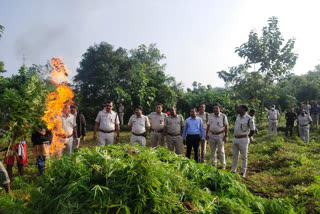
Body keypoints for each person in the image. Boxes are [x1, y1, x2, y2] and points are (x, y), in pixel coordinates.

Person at [232, 104, 255, 178]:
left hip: (243, 139)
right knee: (235, 155)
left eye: (239, 108)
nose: (237, 109)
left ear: (244, 109)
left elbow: (252, 130)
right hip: (235, 138)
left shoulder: (249, 118)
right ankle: (233, 170)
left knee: (244, 156)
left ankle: (243, 172)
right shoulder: (238, 116)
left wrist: (247, 137)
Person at [205, 104, 228, 169]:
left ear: (219, 109)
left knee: (221, 150)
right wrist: (207, 134)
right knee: (212, 150)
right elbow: (208, 125)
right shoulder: (211, 116)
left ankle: (223, 165)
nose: (215, 110)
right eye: (214, 108)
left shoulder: (223, 116)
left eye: (216, 108)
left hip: (220, 135)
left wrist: (226, 136)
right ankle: (214, 164)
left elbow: (226, 126)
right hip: (212, 135)